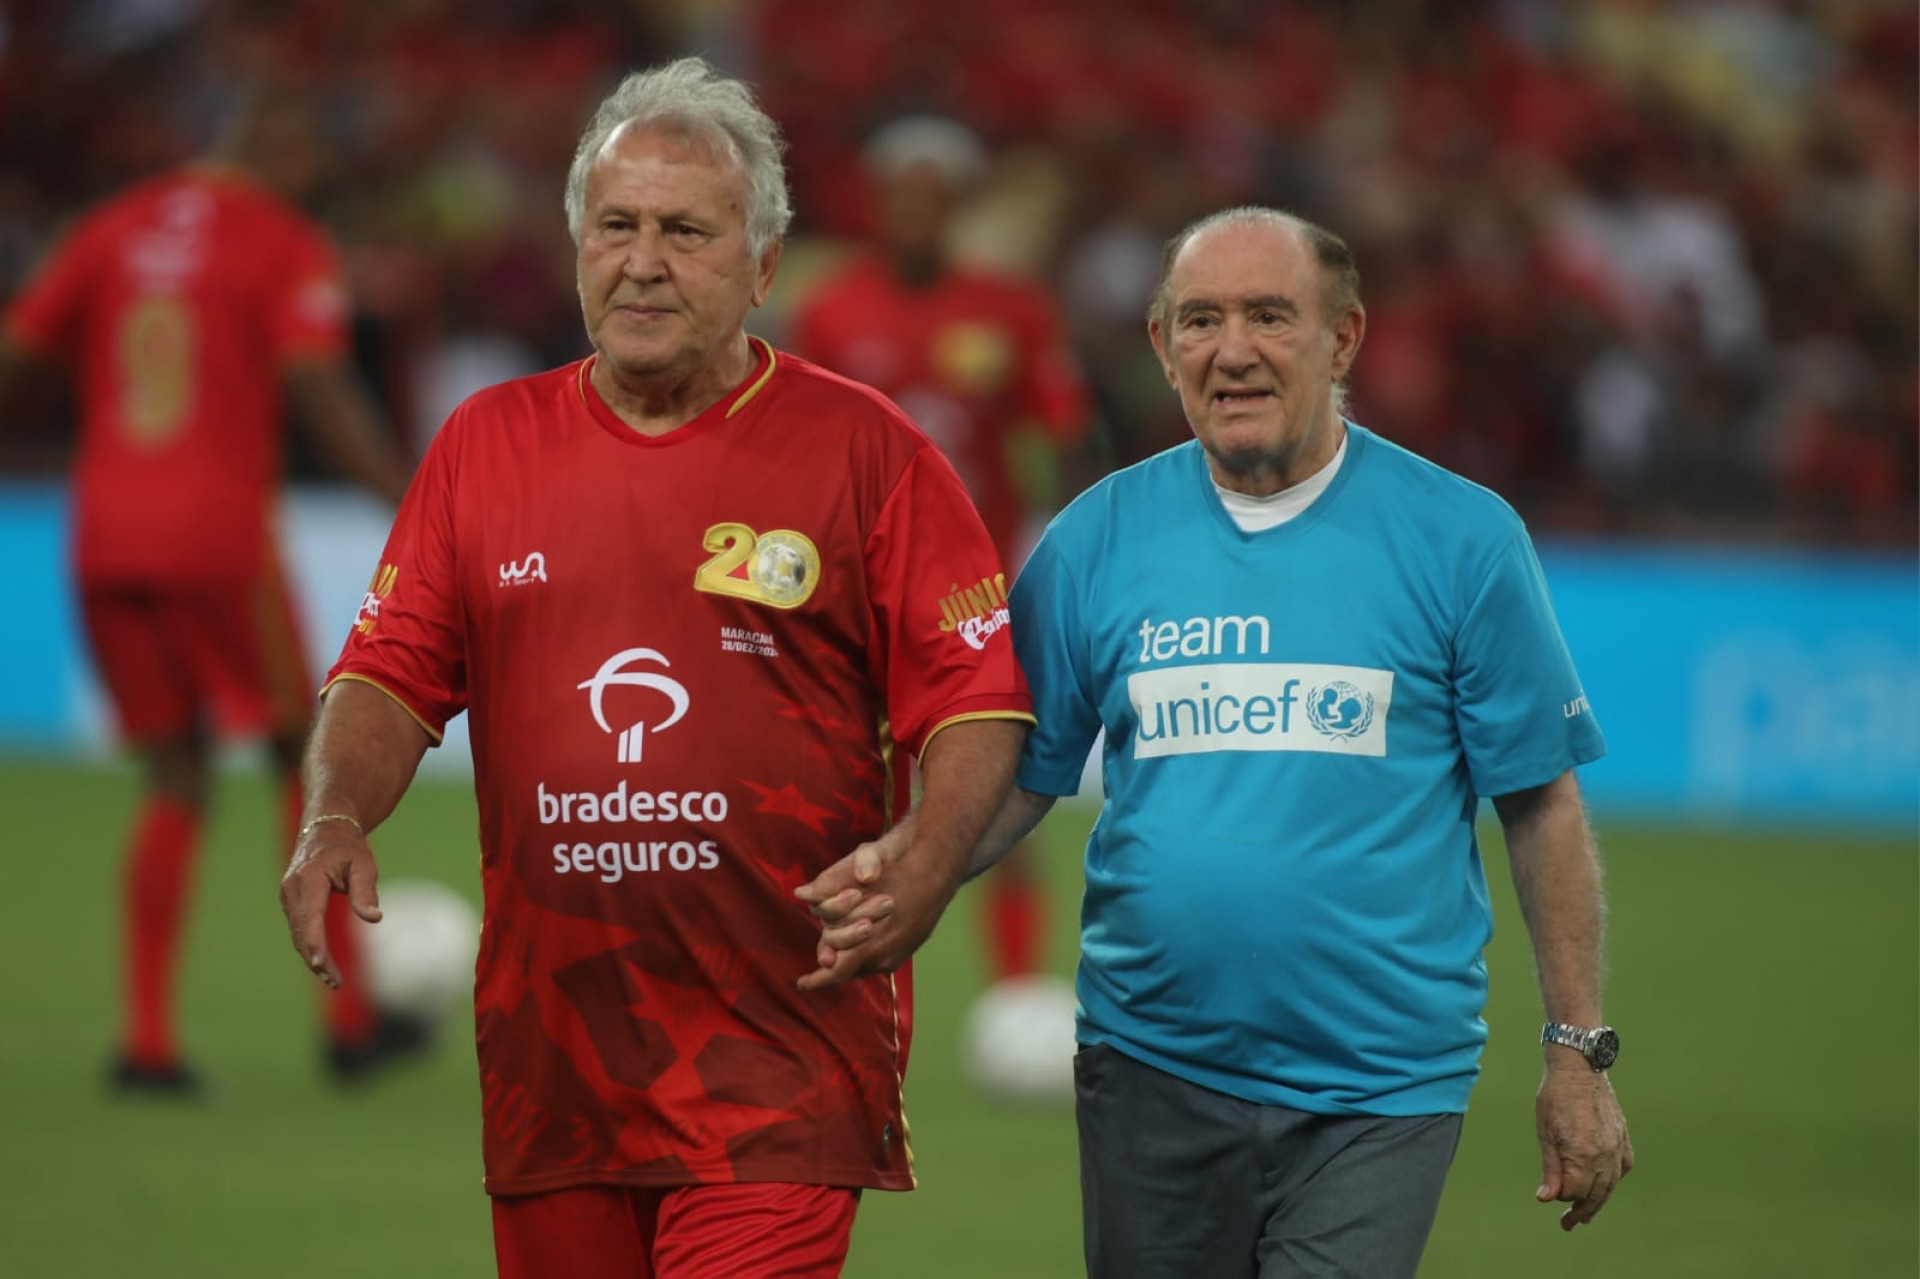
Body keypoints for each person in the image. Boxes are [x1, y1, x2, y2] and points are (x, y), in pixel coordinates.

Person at [277, 57, 1031, 1278]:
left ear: (765, 264)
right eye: (615, 227)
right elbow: (390, 671)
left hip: (781, 1057)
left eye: (685, 231)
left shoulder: (867, 453)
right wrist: (334, 814)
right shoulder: (484, 444)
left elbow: (978, 698)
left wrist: (931, 859)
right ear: (577, 247)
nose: (643, 260)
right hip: (553, 1066)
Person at [799, 206, 1634, 1277]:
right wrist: (904, 871)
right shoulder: (1095, 537)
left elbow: (1541, 802)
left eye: (1269, 316)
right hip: (1147, 1068)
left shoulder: (1462, 539)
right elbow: (1015, 774)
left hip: (1379, 1087)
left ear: (1343, 339)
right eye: (1200, 319)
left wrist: (1578, 1054)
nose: (1231, 349)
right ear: (1161, 345)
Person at [0, 86, 415, 1096]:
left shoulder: (109, 228)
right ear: (281, 146)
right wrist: (414, 504)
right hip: (221, 541)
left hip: (101, 537)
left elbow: (18, 354)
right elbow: (319, 385)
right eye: (315, 160)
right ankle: (351, 1019)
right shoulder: (281, 241)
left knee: (175, 774)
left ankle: (146, 1042)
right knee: (307, 756)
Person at [789, 115, 1090, 988]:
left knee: (990, 780)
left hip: (977, 597)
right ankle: (826, 959)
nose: (914, 210)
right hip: (853, 592)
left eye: (932, 195)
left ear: (958, 204)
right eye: (900, 194)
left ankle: (1017, 990)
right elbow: (800, 447)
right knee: (835, 786)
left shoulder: (1012, 313)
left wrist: (1072, 549)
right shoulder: (833, 309)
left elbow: (1066, 434)